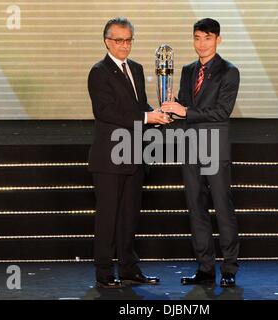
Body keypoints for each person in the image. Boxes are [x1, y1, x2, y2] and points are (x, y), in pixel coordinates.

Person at [87, 17, 171, 288]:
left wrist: (160, 114)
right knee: (108, 219)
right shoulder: (98, 72)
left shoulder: (135, 68)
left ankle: (129, 269)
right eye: (119, 40)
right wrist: (148, 118)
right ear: (107, 41)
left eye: (128, 40)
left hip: (134, 155)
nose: (124, 45)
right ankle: (104, 274)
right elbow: (106, 111)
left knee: (129, 218)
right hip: (110, 158)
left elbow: (139, 104)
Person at [161, 18, 240, 287]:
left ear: (218, 39)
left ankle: (229, 269)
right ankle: (205, 268)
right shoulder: (187, 70)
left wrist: (186, 111)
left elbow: (222, 112)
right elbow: (185, 105)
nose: (201, 43)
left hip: (214, 147)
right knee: (196, 209)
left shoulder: (230, 71)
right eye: (197, 37)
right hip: (190, 146)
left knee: (222, 208)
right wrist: (172, 107)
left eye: (207, 38)